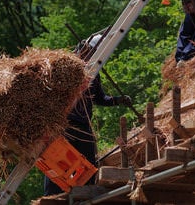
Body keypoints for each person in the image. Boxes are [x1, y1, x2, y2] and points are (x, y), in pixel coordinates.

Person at [43, 34, 131, 196]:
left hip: (83, 124)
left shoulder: (94, 73)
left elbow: (100, 98)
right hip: (65, 123)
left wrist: (118, 100)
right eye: (90, 51)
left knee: (88, 160)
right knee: (58, 160)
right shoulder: (67, 70)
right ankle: (52, 195)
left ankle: (85, 192)